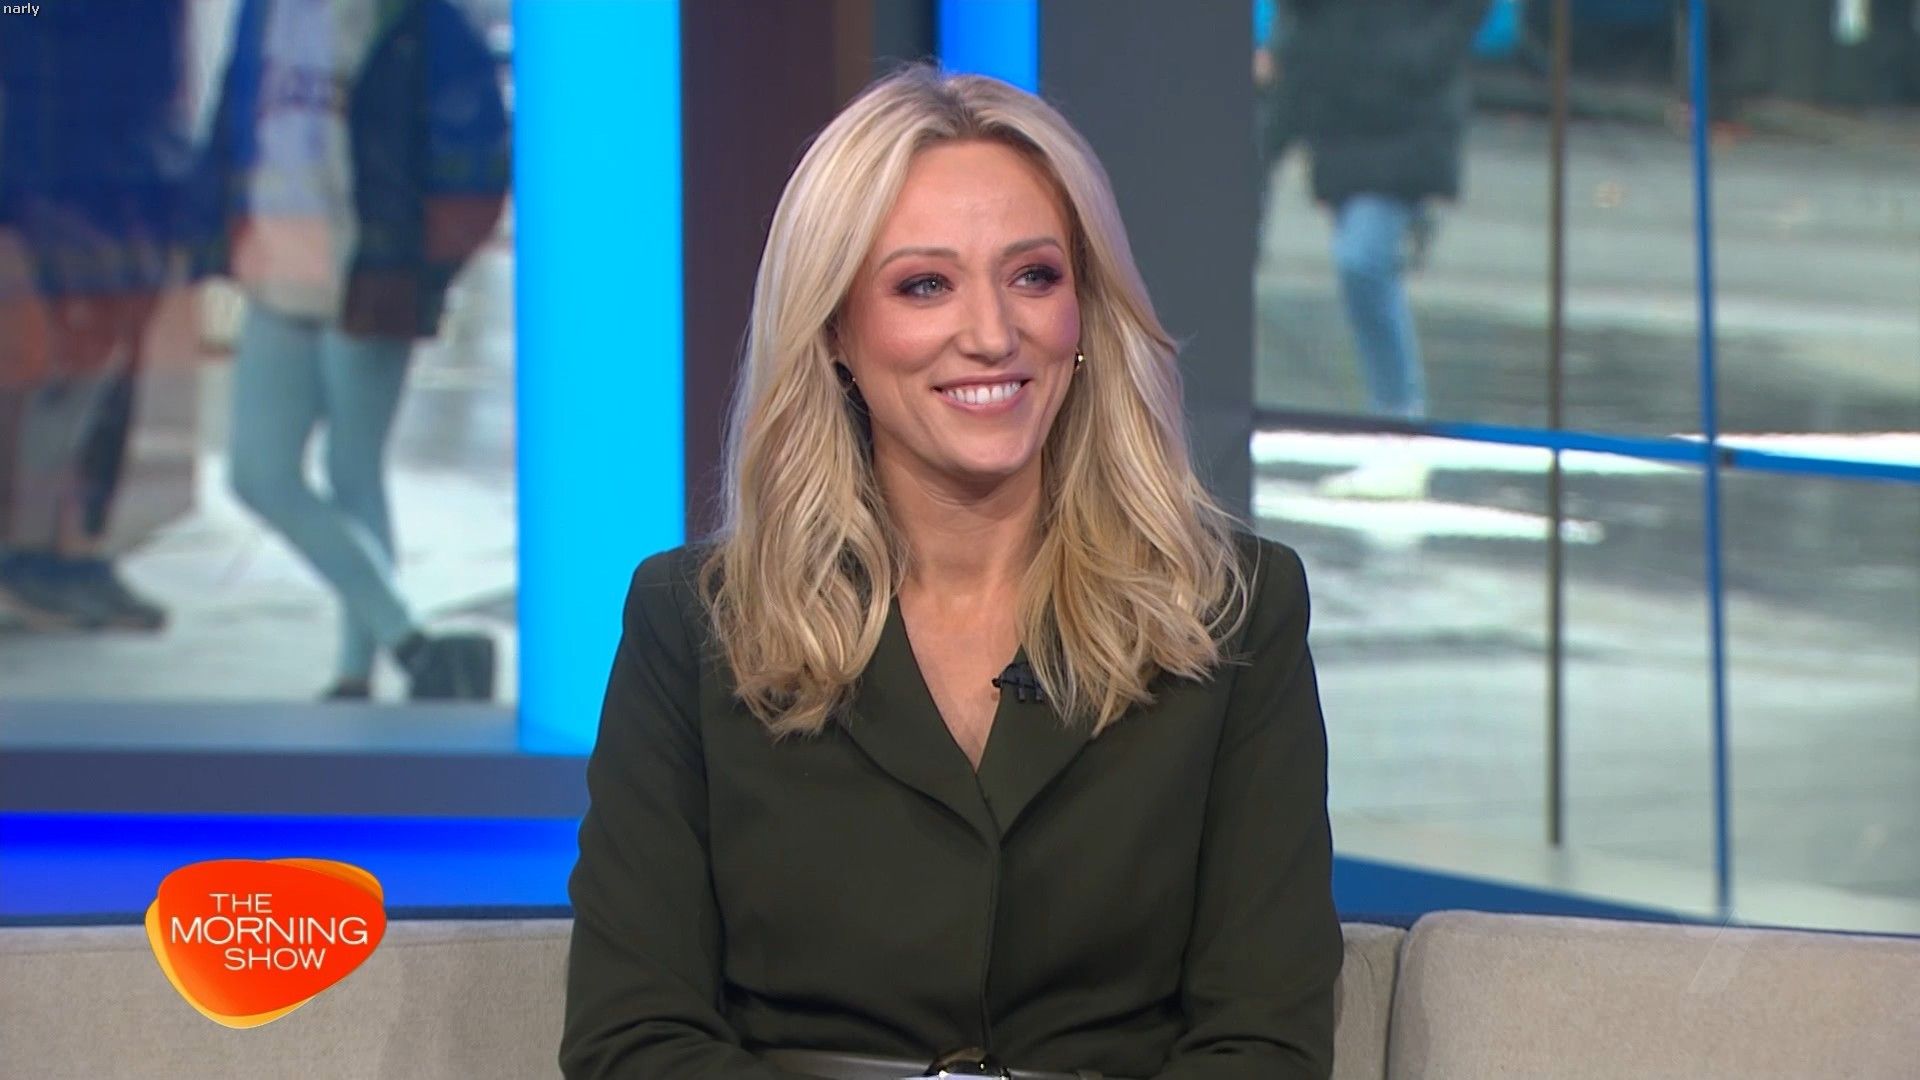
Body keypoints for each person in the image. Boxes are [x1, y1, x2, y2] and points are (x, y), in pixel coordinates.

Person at [561, 66, 1342, 1080]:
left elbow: (1264, 1044)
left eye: (1034, 277)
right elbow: (632, 1040)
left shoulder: (1233, 614)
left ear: (1085, 308)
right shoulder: (693, 626)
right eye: (924, 285)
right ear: (835, 330)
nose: (991, 334)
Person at [183, 0, 510, 700]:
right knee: (258, 473)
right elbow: (234, 117)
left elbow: (479, 152)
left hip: (371, 270)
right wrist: (209, 230)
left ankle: (357, 671)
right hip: (276, 266)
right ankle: (407, 639)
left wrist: (425, 270)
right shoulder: (265, 12)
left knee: (352, 468)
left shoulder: (413, 19)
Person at [0, 0, 188, 632]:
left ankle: (74, 552)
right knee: (70, 367)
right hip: (60, 179)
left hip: (133, 174)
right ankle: (34, 556)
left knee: (107, 377)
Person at [1269, 0, 1490, 499]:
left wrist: (1422, 56)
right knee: (1362, 267)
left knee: (1362, 261)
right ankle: (1394, 426)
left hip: (1406, 113)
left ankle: (1400, 428)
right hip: (1342, 113)